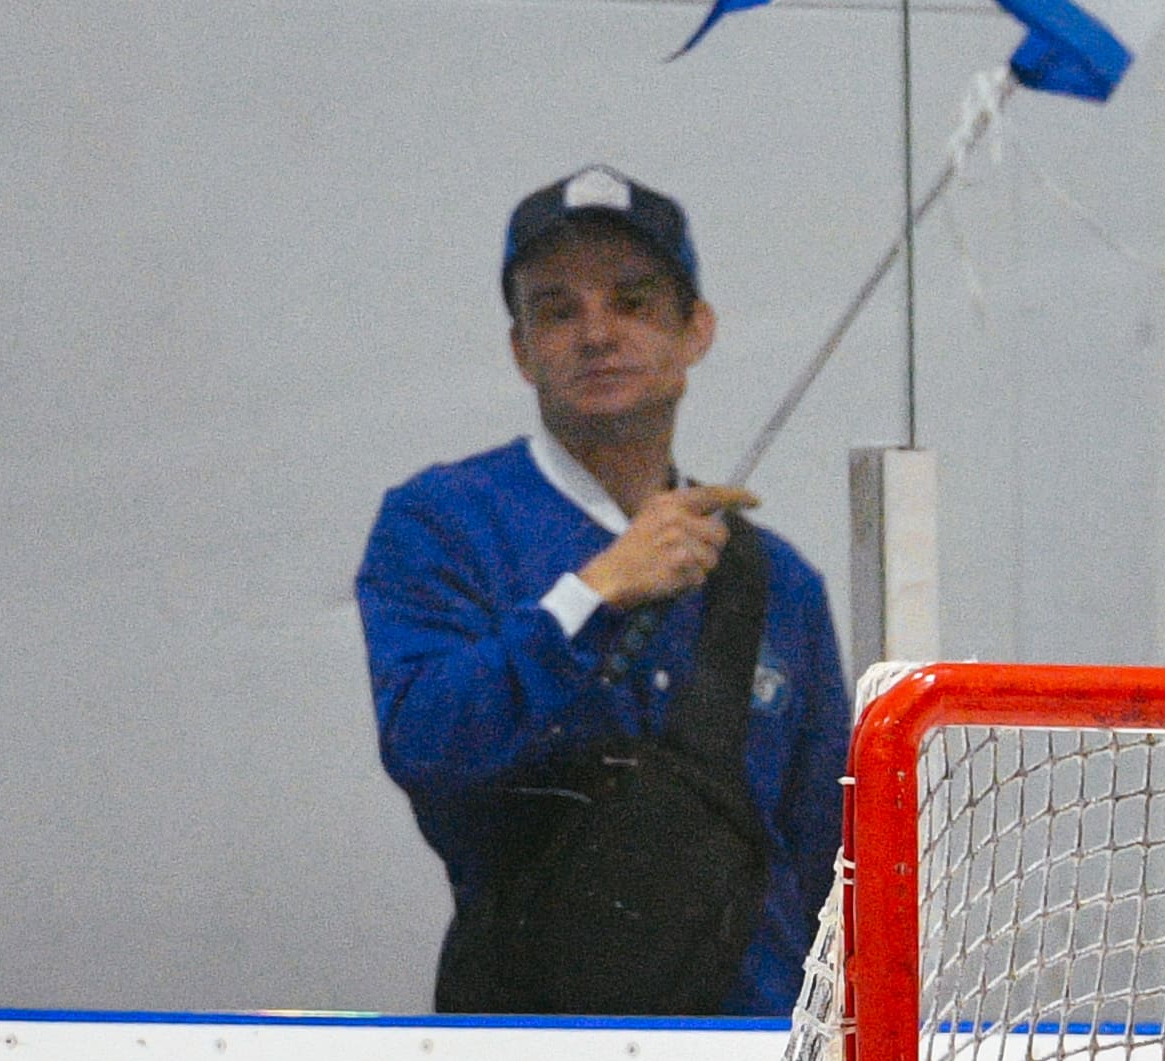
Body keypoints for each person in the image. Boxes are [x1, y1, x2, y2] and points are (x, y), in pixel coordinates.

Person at [355, 169, 846, 1017]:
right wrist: (589, 596)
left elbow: (828, 854)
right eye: (556, 309)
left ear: (696, 331)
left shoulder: (776, 583)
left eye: (632, 301)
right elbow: (427, 744)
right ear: (518, 348)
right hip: (528, 1041)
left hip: (748, 1059)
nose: (595, 333)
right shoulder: (442, 522)